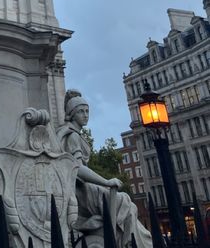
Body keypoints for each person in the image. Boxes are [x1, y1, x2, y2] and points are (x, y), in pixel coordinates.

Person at [57, 90, 151, 248]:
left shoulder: (77, 135)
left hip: (85, 187)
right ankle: (131, 243)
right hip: (81, 190)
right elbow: (77, 168)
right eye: (81, 111)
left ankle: (131, 241)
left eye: (87, 111)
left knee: (129, 204)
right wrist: (106, 182)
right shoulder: (72, 136)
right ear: (72, 114)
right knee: (124, 202)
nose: (85, 115)